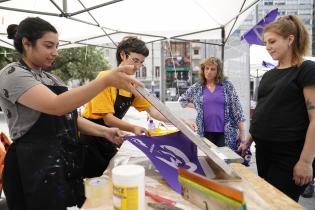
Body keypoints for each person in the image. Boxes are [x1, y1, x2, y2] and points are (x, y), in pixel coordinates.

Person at [0, 17, 143, 210]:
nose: (55, 53)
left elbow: (69, 117)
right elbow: (56, 106)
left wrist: (105, 132)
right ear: (26, 43)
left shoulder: (51, 77)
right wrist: (105, 81)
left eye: (57, 46)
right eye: (48, 46)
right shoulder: (12, 74)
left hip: (59, 160)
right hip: (31, 165)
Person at [241, 15, 315, 202]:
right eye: (266, 42)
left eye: (272, 41)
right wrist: (248, 141)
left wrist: (306, 161)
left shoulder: (306, 69)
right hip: (264, 152)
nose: (268, 47)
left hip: (288, 155)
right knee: (266, 202)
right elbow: (263, 111)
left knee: (279, 204)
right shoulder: (268, 76)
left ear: (290, 39)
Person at [80, 36, 168, 178]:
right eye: (135, 60)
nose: (138, 67)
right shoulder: (105, 78)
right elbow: (108, 119)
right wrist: (133, 128)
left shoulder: (131, 84)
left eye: (141, 63)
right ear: (122, 54)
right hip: (91, 139)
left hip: (110, 137)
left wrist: (178, 121)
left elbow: (153, 111)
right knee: (94, 182)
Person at [179, 57, 246, 152]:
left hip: (226, 134)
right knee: (210, 162)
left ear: (218, 71)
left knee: (226, 162)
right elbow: (182, 100)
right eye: (207, 68)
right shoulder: (197, 87)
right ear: (203, 70)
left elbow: (237, 110)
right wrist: (198, 106)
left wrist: (242, 133)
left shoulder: (227, 86)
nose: (209, 71)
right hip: (205, 133)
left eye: (212, 69)